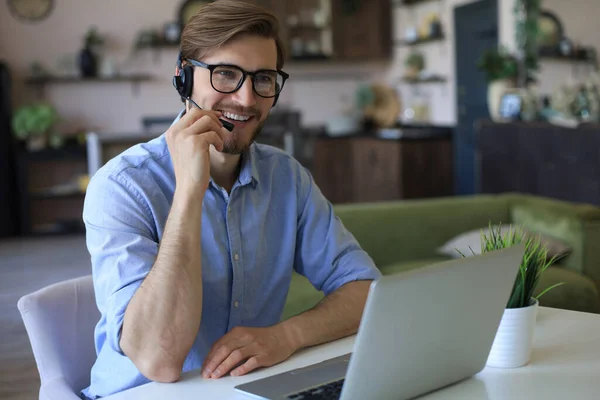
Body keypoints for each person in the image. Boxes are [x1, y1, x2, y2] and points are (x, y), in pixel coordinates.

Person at [80, 1, 380, 398]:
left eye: (263, 79)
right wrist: (190, 188)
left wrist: (286, 335)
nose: (246, 99)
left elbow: (366, 290)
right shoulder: (121, 187)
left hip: (247, 391)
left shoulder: (286, 179)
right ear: (183, 78)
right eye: (225, 74)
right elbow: (158, 360)